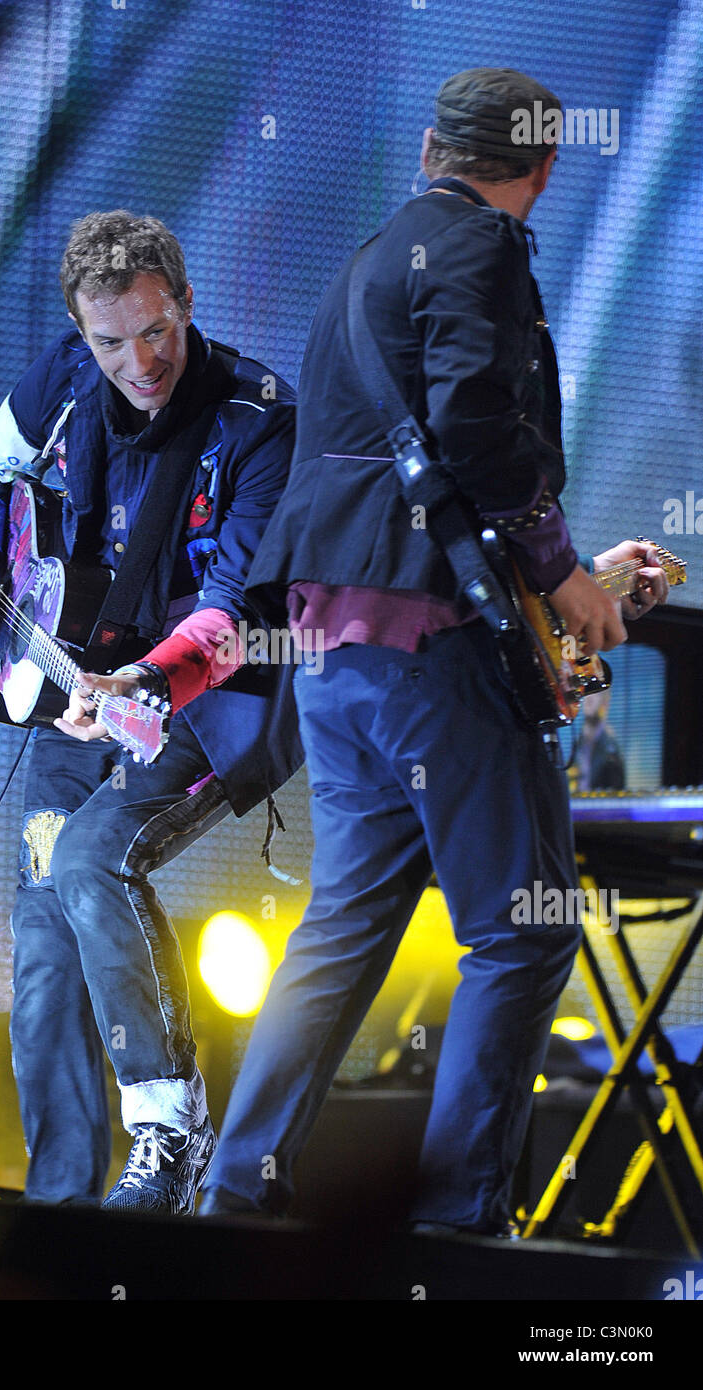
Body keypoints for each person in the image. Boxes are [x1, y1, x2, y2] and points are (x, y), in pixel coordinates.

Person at [201, 69, 668, 1232]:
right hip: (427, 651)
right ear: (544, 170)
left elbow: (407, 465)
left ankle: (233, 1197)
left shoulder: (367, 258)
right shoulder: (487, 246)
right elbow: (469, 424)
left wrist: (558, 571)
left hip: (336, 652)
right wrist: (560, 574)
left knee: (344, 924)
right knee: (522, 928)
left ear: (426, 146)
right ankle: (461, 1233)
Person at [0, 210, 301, 1212]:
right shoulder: (62, 378)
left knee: (95, 857)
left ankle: (169, 1143)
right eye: (110, 341)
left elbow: (240, 611)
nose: (137, 360)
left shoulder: (259, 415)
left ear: (185, 302)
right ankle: (65, 1210)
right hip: (72, 696)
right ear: (79, 334)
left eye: (155, 330)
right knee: (45, 948)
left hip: (206, 700)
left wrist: (147, 683)